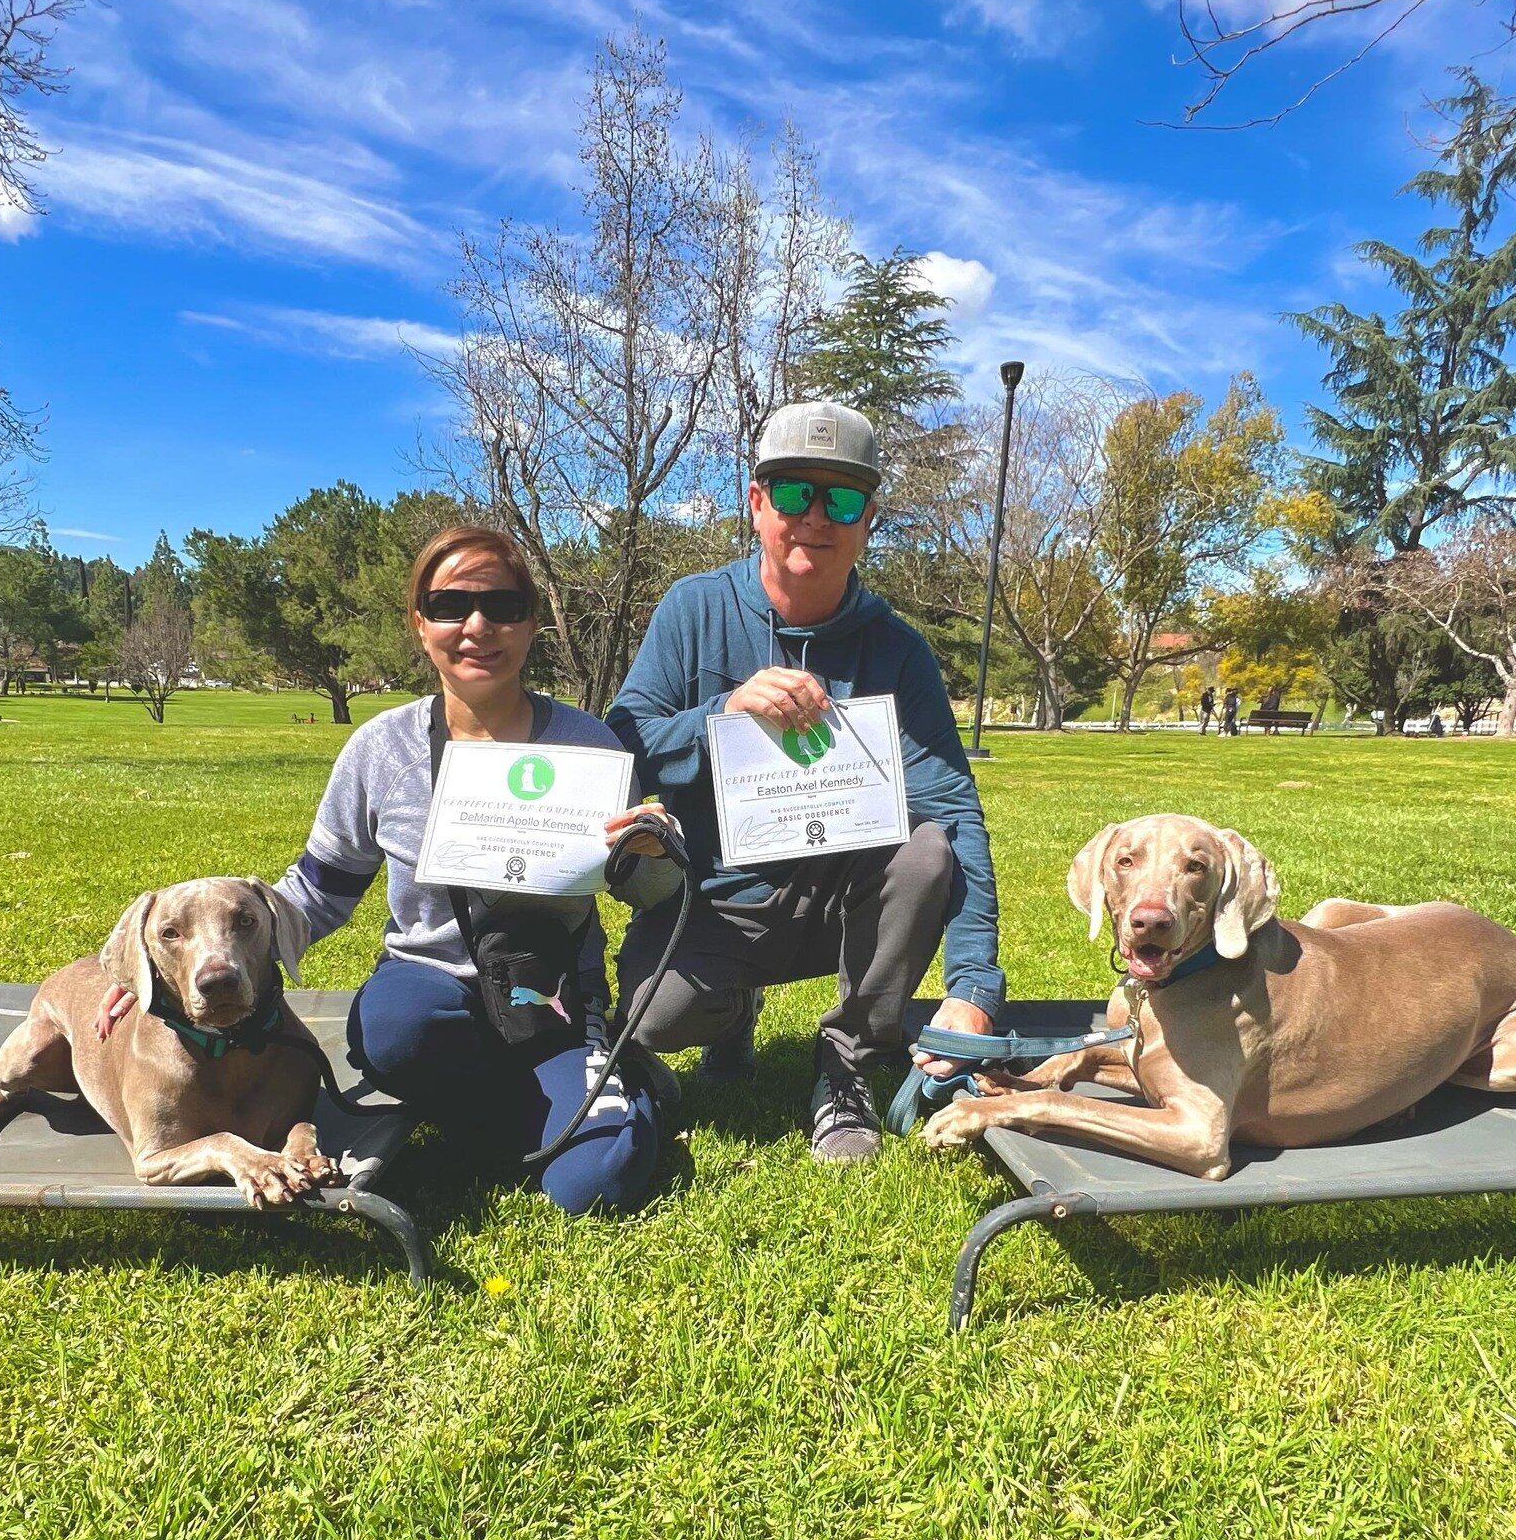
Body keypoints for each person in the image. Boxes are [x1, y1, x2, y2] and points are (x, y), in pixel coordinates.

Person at [101, 526, 681, 1216]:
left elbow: (648, 892)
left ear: (529, 622)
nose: (477, 626)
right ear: (419, 623)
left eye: (501, 605)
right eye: (449, 605)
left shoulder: (587, 744)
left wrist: (658, 853)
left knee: (594, 1186)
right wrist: (158, 969)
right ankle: (528, 1103)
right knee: (394, 1030)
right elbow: (317, 892)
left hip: (548, 999)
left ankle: (613, 1078)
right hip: (431, 996)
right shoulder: (382, 748)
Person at [607, 400, 1003, 1165]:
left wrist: (975, 984)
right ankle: (731, 1013)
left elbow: (953, 807)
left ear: (868, 521)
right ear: (756, 504)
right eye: (793, 493)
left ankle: (847, 1060)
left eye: (843, 498)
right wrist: (721, 715)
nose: (815, 516)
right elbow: (623, 745)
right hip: (721, 897)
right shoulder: (693, 610)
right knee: (650, 1016)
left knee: (926, 851)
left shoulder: (898, 651)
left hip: (843, 899)